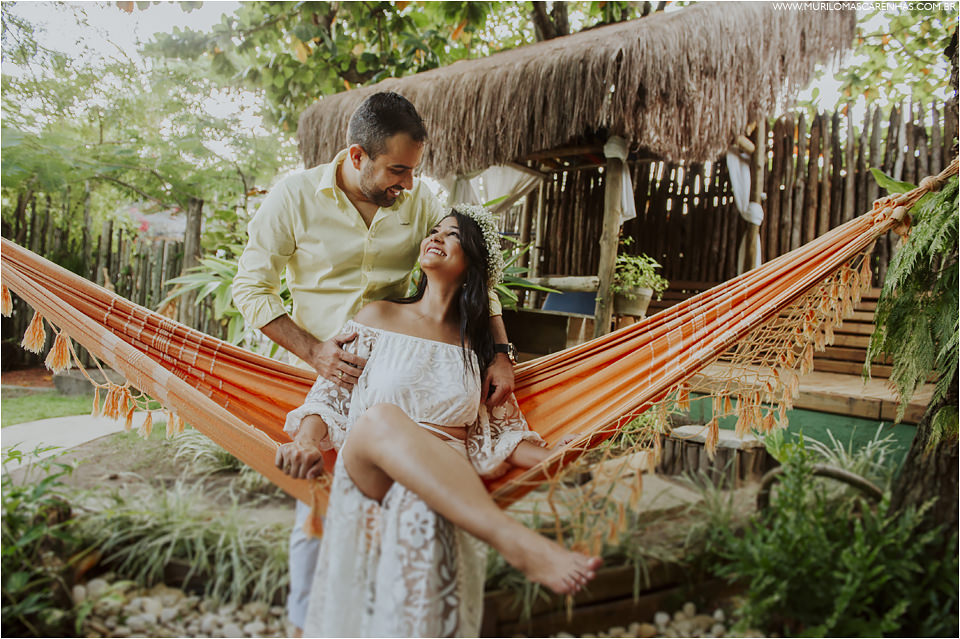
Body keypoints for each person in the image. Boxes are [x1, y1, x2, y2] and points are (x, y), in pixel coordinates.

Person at [231, 92, 517, 635]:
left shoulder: (419, 201)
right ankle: (311, 625)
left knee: (394, 510)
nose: (408, 185)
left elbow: (476, 272)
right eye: (398, 170)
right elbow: (251, 289)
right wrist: (315, 352)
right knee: (316, 509)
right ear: (357, 156)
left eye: (413, 172)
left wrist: (499, 352)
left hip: (392, 377)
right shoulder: (294, 196)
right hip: (314, 375)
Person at [280, 207, 602, 637]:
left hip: (446, 480)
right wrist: (304, 439)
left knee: (424, 509)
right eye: (434, 231)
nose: (436, 238)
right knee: (381, 417)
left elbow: (501, 434)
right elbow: (330, 397)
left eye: (452, 235)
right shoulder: (376, 317)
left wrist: (558, 455)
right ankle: (514, 542)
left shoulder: (478, 350)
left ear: (472, 262)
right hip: (370, 465)